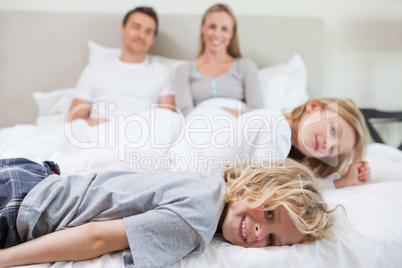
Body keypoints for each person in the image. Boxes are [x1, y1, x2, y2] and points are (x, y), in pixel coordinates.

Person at [0, 157, 335, 267]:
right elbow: (96, 238)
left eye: (274, 241)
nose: (261, 232)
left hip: (32, 176)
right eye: (271, 214)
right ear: (255, 185)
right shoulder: (198, 219)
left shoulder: (208, 184)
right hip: (22, 206)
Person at [171, 98, 370, 189]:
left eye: (333, 150)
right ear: (312, 107)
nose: (328, 144)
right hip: (182, 177)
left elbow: (290, 182)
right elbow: (267, 187)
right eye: (333, 130)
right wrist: (339, 183)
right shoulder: (278, 128)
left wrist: (341, 181)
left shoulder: (280, 137)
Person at [67, 7, 175, 126]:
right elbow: (74, 118)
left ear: (153, 39)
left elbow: (168, 120)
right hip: (100, 132)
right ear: (122, 29)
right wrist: (100, 124)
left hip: (143, 135)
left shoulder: (163, 72)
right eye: (136, 27)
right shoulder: (95, 70)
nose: (141, 35)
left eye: (148, 32)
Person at [173, 3, 264, 116]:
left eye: (224, 29)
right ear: (203, 28)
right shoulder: (184, 71)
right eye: (212, 27)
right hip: (200, 127)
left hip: (237, 127)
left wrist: (221, 114)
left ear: (232, 33)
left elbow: (257, 112)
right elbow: (185, 112)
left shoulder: (246, 66)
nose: (217, 34)